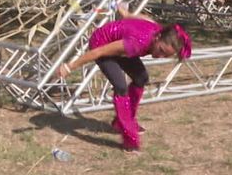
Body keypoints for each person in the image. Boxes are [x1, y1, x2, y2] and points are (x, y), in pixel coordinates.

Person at [56, 11, 191, 152]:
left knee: (141, 78)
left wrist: (126, 14)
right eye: (161, 50)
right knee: (120, 87)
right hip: (101, 43)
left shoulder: (158, 30)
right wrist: (69, 67)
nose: (159, 56)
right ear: (157, 38)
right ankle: (129, 138)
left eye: (165, 55)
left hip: (121, 46)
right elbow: (99, 52)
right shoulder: (137, 44)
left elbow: (144, 18)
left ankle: (124, 121)